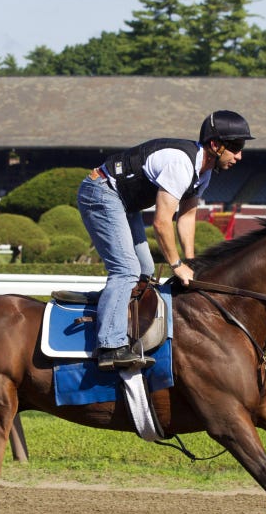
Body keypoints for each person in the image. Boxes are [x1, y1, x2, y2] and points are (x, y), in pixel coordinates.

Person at [78, 110, 253, 371]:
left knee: (145, 271)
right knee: (126, 270)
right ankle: (109, 347)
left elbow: (187, 216)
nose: (239, 156)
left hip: (124, 202)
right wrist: (176, 264)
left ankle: (121, 325)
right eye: (236, 147)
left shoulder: (203, 172)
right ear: (215, 145)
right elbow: (161, 222)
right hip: (101, 192)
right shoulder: (181, 164)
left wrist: (191, 262)